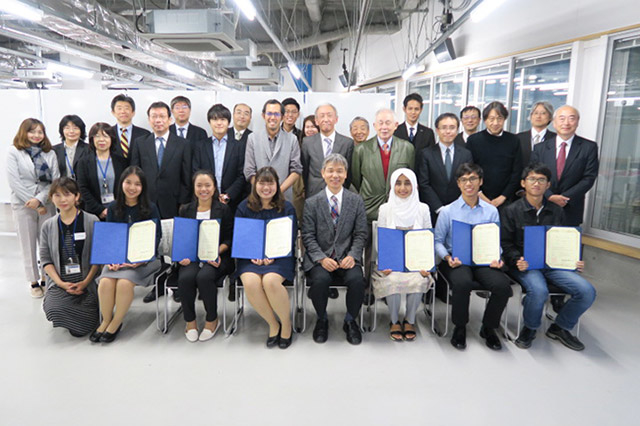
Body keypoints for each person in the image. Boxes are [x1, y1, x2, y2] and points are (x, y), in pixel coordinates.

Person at [500, 164, 596, 351]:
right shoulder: (511, 211)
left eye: (541, 180)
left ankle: (560, 327)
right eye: (532, 179)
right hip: (525, 264)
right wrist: (516, 259)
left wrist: (573, 260)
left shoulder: (557, 211)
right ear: (523, 183)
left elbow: (563, 240)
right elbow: (505, 243)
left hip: (553, 264)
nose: (536, 183)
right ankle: (530, 328)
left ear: (547, 185)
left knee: (587, 291)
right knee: (539, 290)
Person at [434, 162, 512, 351]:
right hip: (456, 260)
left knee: (502, 286)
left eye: (473, 179)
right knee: (462, 283)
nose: (469, 183)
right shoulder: (447, 211)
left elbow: (496, 239)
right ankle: (460, 327)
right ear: (458, 184)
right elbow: (437, 241)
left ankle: (489, 327)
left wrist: (498, 257)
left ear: (480, 181)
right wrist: (446, 258)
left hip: (484, 260)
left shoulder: (491, 211)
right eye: (464, 180)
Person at [91, 166, 162, 343]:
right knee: (105, 282)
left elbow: (156, 238)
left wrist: (139, 260)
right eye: (128, 182)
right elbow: (110, 237)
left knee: (124, 283)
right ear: (121, 183)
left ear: (143, 187)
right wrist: (112, 259)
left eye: (137, 184)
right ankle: (106, 320)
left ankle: (115, 323)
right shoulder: (114, 207)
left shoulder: (150, 208)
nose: (132, 187)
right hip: (118, 259)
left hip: (145, 260)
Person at [302, 154, 367, 345]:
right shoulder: (311, 203)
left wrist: (353, 256)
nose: (335, 175)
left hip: (347, 258)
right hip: (320, 258)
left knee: (357, 280)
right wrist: (321, 258)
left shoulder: (356, 201)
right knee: (320, 280)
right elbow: (307, 236)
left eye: (339, 171)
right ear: (323, 173)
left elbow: (361, 234)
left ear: (346, 174)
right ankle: (322, 319)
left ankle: (350, 321)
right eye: (330, 170)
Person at [235, 167, 297, 349]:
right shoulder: (243, 207)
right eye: (262, 183)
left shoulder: (287, 208)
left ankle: (286, 324)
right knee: (251, 283)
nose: (266, 187)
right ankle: (273, 324)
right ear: (256, 185)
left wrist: (272, 255)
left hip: (279, 256)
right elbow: (241, 237)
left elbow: (290, 237)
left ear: (277, 185)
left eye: (271, 183)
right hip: (250, 257)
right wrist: (254, 254)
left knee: (270, 282)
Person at [373, 168, 434, 341]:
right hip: (392, 261)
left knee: (419, 278)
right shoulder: (385, 209)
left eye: (407, 183)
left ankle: (410, 319)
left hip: (417, 261)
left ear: (414, 186)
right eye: (398, 183)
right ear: (392, 186)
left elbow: (428, 236)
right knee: (392, 279)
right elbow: (381, 239)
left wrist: (426, 264)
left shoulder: (423, 208)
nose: (403, 188)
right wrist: (384, 262)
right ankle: (393, 320)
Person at [352, 108, 414, 279]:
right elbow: (356, 179)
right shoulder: (362, 149)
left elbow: (410, 178)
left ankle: (388, 289)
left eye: (388, 123)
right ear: (374, 125)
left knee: (392, 250)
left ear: (395, 125)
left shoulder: (407, 148)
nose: (384, 127)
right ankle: (367, 289)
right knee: (368, 251)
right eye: (380, 123)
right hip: (369, 208)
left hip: (397, 208)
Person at [177, 171, 234, 342]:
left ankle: (211, 319)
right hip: (192, 257)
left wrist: (217, 251)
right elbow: (181, 237)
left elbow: (230, 238)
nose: (204, 189)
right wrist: (181, 255)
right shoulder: (185, 209)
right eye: (199, 185)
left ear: (214, 187)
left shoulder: (223, 209)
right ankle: (190, 321)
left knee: (205, 276)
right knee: (186, 277)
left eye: (207, 185)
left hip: (217, 257)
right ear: (193, 188)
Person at [40, 178, 100, 337]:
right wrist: (61, 283)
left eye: (67, 194)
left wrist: (85, 282)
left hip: (87, 282)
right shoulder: (48, 226)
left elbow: (98, 257)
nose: (62, 199)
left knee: (82, 327)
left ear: (77, 196)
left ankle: (80, 320)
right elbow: (46, 260)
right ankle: (72, 317)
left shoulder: (91, 221)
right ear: (51, 198)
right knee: (52, 309)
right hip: (61, 283)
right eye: (57, 195)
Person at [7, 118, 60, 298]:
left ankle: (47, 278)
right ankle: (33, 281)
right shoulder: (14, 152)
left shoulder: (49, 153)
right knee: (27, 244)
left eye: (40, 132)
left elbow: (55, 180)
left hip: (46, 203)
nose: (36, 135)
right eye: (32, 131)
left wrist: (40, 200)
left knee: (47, 244)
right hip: (23, 205)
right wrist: (32, 201)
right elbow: (14, 181)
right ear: (24, 132)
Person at [530, 105, 599, 227]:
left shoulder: (588, 147)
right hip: (543, 205)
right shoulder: (540, 148)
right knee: (539, 243)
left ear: (577, 122)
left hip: (571, 208)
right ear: (554, 123)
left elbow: (589, 178)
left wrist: (565, 198)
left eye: (571, 118)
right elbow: (534, 175)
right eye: (562, 118)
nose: (566, 123)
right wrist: (550, 196)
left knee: (567, 245)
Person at [130, 101, 191, 219]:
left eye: (162, 116)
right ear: (149, 120)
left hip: (173, 203)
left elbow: (186, 176)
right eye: (154, 116)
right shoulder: (140, 143)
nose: (158, 120)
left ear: (170, 120)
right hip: (145, 202)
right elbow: (135, 174)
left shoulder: (183, 144)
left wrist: (183, 203)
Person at [418, 112, 473, 224]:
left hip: (460, 211)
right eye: (444, 128)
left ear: (457, 130)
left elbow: (468, 182)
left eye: (452, 128)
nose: (448, 131)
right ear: (437, 130)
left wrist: (457, 206)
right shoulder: (426, 154)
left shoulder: (466, 154)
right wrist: (439, 208)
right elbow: (424, 184)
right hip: (433, 211)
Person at [243, 99, 303, 203]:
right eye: (269, 113)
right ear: (263, 115)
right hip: (258, 198)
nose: (273, 117)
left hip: (284, 198)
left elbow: (296, 170)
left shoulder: (292, 139)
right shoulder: (252, 138)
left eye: (276, 114)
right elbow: (249, 170)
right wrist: (262, 190)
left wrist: (278, 191)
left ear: (282, 117)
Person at [467, 101, 523, 208]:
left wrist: (503, 196)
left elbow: (517, 171)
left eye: (499, 118)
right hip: (478, 197)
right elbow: (469, 169)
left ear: (504, 119)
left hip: (506, 199)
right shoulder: (473, 140)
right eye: (491, 119)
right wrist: (480, 194)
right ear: (485, 120)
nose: (496, 123)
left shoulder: (513, 140)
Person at [192, 104, 246, 211]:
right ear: (209, 122)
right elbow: (196, 172)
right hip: (205, 199)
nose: (219, 123)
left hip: (231, 202)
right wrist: (210, 193)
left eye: (223, 119)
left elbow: (241, 175)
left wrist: (228, 194)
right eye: (215, 119)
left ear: (228, 122)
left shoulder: (238, 146)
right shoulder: (200, 146)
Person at [76, 122, 127, 219]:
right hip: (93, 213)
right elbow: (83, 189)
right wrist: (100, 210)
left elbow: (125, 187)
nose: (101, 140)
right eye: (97, 136)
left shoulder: (121, 161)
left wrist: (114, 209)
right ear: (92, 139)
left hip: (119, 211)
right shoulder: (84, 162)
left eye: (106, 136)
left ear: (112, 139)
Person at [302, 103, 354, 198]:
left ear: (336, 119)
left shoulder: (347, 143)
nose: (326, 119)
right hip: (314, 194)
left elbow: (349, 173)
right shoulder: (307, 142)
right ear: (317, 121)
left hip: (338, 193)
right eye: (322, 116)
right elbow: (304, 171)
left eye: (329, 115)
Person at [394, 93, 435, 177]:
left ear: (421, 110)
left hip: (422, 178)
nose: (413, 112)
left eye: (416, 109)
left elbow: (431, 159)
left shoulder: (428, 133)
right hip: (400, 177)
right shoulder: (395, 131)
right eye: (410, 109)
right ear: (404, 109)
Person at [110, 94, 150, 161]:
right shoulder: (108, 133)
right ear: (113, 112)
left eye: (127, 108)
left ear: (133, 112)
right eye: (119, 108)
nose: (123, 112)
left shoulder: (145, 134)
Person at [517, 101, 556, 167]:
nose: (538, 116)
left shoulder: (555, 139)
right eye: (535, 113)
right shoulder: (518, 138)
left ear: (550, 117)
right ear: (531, 116)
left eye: (543, 113)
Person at [52, 115, 89, 180]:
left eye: (75, 128)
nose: (71, 131)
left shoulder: (88, 149)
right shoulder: (54, 150)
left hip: (82, 187)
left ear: (81, 130)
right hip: (62, 187)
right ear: (62, 130)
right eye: (67, 128)